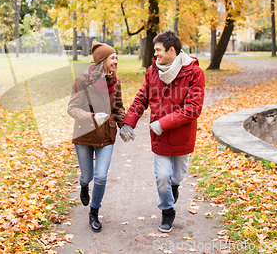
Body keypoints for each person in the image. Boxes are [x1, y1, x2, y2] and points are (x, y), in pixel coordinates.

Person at [120, 31, 205, 233]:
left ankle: (174, 187)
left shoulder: (193, 72)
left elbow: (193, 108)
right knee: (162, 178)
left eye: (158, 50)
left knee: (176, 176)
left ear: (171, 50)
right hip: (159, 137)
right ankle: (167, 211)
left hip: (182, 135)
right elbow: (142, 98)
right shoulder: (152, 71)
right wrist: (128, 123)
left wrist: (163, 123)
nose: (155, 54)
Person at [67, 41, 125, 232]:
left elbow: (118, 108)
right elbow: (72, 108)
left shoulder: (115, 81)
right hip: (85, 133)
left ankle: (94, 211)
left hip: (106, 134)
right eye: (113, 58)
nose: (116, 61)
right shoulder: (82, 80)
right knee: (88, 176)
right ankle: (84, 185)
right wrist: (92, 118)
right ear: (102, 61)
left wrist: (125, 126)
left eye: (116, 57)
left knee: (100, 177)